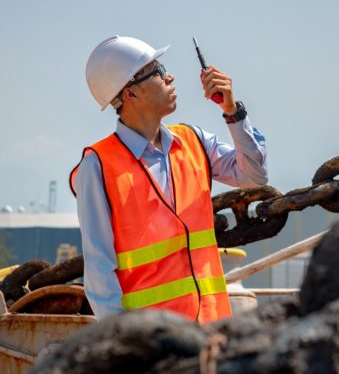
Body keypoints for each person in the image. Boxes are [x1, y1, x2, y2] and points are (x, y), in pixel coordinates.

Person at [70, 36, 267, 324]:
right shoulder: (97, 167)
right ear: (130, 94)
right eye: (158, 71)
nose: (170, 76)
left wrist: (232, 112)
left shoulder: (194, 141)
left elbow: (255, 177)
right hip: (153, 346)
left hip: (213, 331)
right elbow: (100, 273)